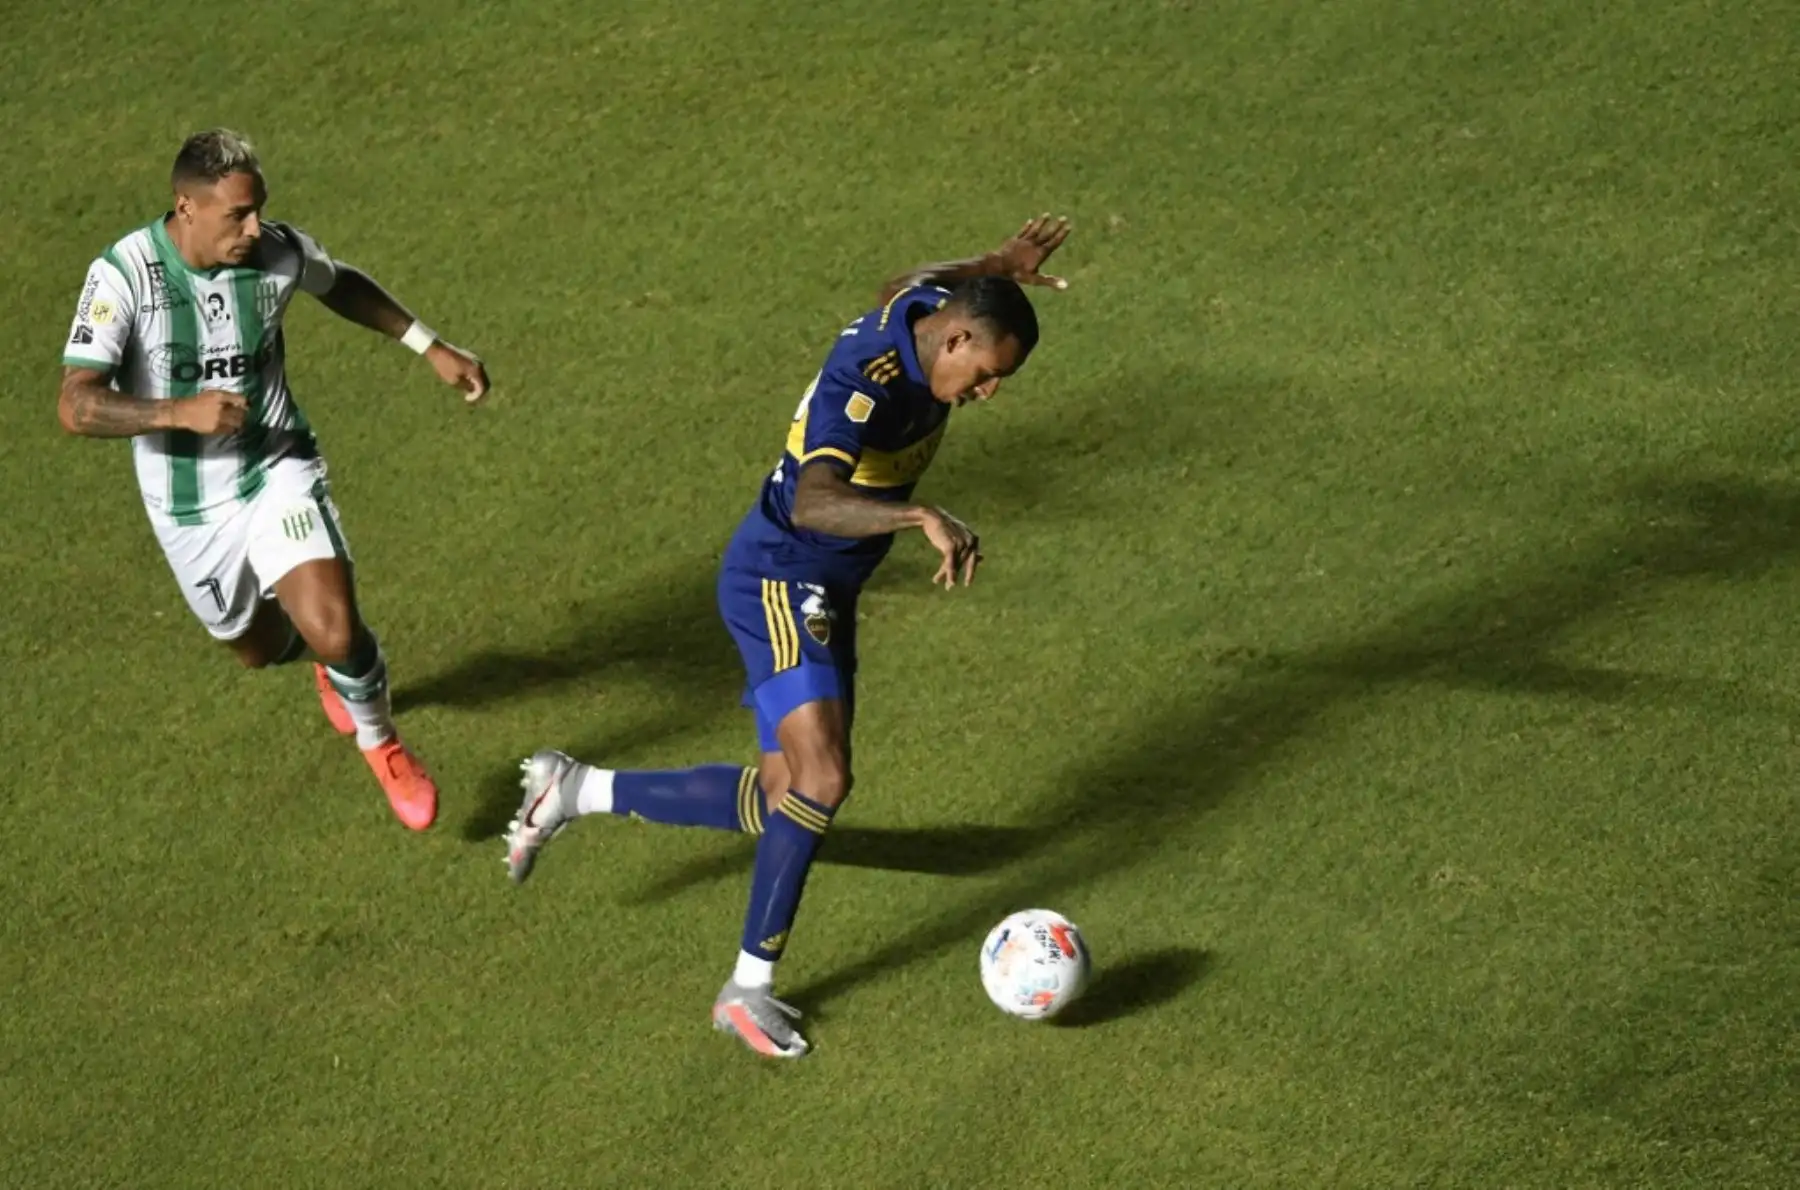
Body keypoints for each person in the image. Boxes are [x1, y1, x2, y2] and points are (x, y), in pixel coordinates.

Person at [504, 215, 1073, 1056]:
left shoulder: (923, 312)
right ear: (954, 338)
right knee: (825, 776)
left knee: (783, 798)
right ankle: (747, 990)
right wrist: (918, 512)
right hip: (782, 568)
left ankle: (575, 790)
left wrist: (995, 265)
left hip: (827, 579)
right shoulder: (866, 382)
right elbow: (813, 501)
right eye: (985, 376)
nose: (988, 395)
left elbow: (900, 280)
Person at [57, 128, 491, 830]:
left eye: (258, 209)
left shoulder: (274, 250)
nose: (256, 228)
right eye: (238, 215)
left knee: (337, 626)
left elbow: (337, 281)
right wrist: (178, 411)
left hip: (275, 463)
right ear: (186, 206)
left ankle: (382, 744)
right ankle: (320, 661)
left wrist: (430, 346)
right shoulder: (123, 275)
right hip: (189, 507)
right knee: (257, 649)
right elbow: (75, 405)